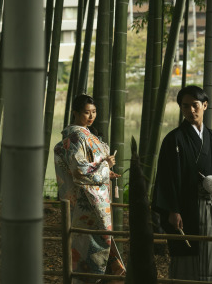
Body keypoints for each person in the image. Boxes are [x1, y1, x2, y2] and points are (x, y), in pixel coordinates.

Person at [153, 85, 212, 282]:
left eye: (195, 105)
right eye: (185, 107)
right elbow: (167, 178)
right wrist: (173, 210)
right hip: (187, 206)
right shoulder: (173, 139)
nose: (190, 111)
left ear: (205, 105)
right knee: (189, 248)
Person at [54, 94, 125, 282]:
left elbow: (89, 166)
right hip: (86, 199)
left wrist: (106, 172)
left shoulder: (88, 135)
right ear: (75, 113)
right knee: (90, 240)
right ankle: (86, 277)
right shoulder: (77, 135)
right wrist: (105, 167)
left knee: (97, 239)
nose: (91, 116)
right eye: (86, 112)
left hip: (95, 195)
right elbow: (78, 170)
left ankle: (92, 276)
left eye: (94, 112)